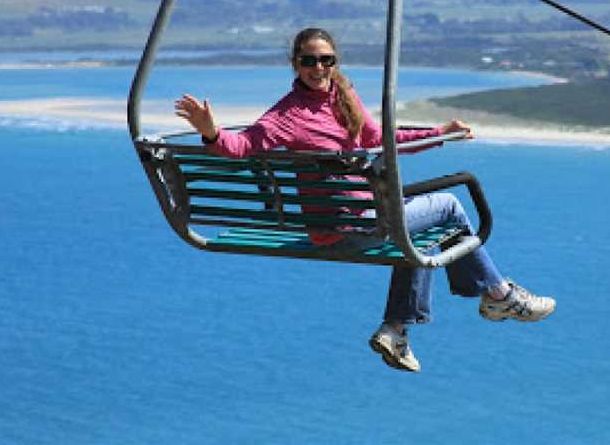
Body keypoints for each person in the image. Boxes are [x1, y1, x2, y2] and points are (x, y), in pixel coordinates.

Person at [175, 28, 555, 373]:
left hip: (357, 222)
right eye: (309, 60)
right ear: (295, 63)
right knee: (450, 209)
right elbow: (243, 145)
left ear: (335, 62)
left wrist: (438, 133)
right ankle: (498, 295)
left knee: (413, 234)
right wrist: (211, 133)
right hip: (355, 227)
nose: (318, 68)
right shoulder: (286, 115)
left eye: (326, 60)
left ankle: (397, 329)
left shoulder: (344, 96)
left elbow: (379, 141)